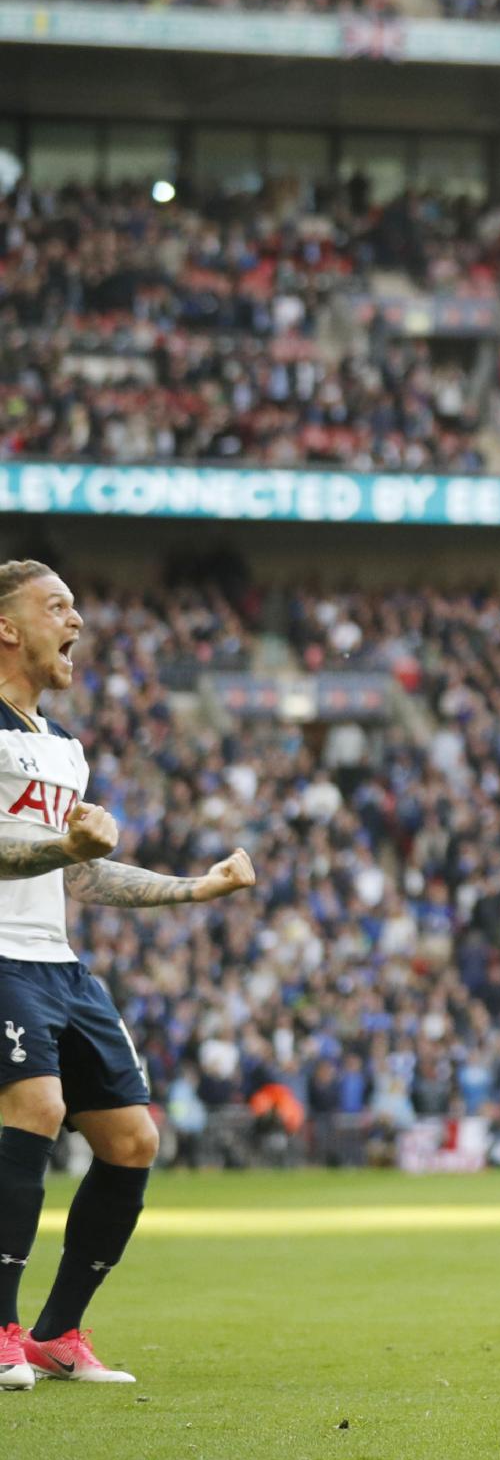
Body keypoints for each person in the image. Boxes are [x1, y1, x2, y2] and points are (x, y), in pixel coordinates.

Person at [0, 560, 258, 1387]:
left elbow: (80, 877)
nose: (77, 619)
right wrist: (64, 845)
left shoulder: (63, 746)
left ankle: (56, 1332)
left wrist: (198, 887)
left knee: (132, 1137)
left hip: (59, 963)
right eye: (57, 605)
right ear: (7, 627)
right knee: (37, 1105)